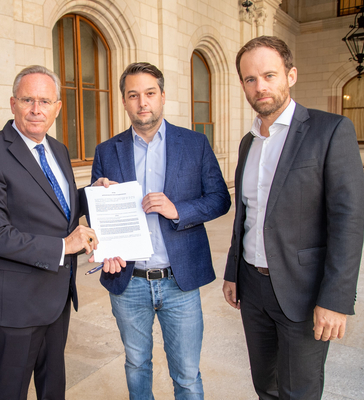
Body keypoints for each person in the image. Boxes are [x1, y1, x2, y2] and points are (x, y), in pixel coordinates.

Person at [223, 36, 364, 399]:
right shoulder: (248, 142)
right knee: (265, 386)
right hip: (252, 288)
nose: (260, 86)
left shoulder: (330, 130)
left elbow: (348, 221)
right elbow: (246, 216)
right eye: (250, 79)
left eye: (269, 75)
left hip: (303, 291)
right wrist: (233, 272)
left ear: (291, 75)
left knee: (298, 391)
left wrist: (335, 300)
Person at [91, 62, 231, 400]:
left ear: (163, 96)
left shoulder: (194, 143)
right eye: (133, 95)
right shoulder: (106, 150)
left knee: (186, 375)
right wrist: (97, 196)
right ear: (123, 101)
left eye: (150, 93)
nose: (143, 102)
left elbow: (220, 199)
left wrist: (178, 210)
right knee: (136, 365)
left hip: (178, 280)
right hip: (129, 282)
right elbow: (97, 218)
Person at [0, 65, 99, 400]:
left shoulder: (58, 149)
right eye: (27, 100)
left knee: (53, 386)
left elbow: (54, 204)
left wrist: (93, 194)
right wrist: (63, 246)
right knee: (12, 390)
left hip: (57, 292)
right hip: (17, 301)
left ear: (58, 107)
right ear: (13, 103)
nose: (36, 109)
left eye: (45, 101)